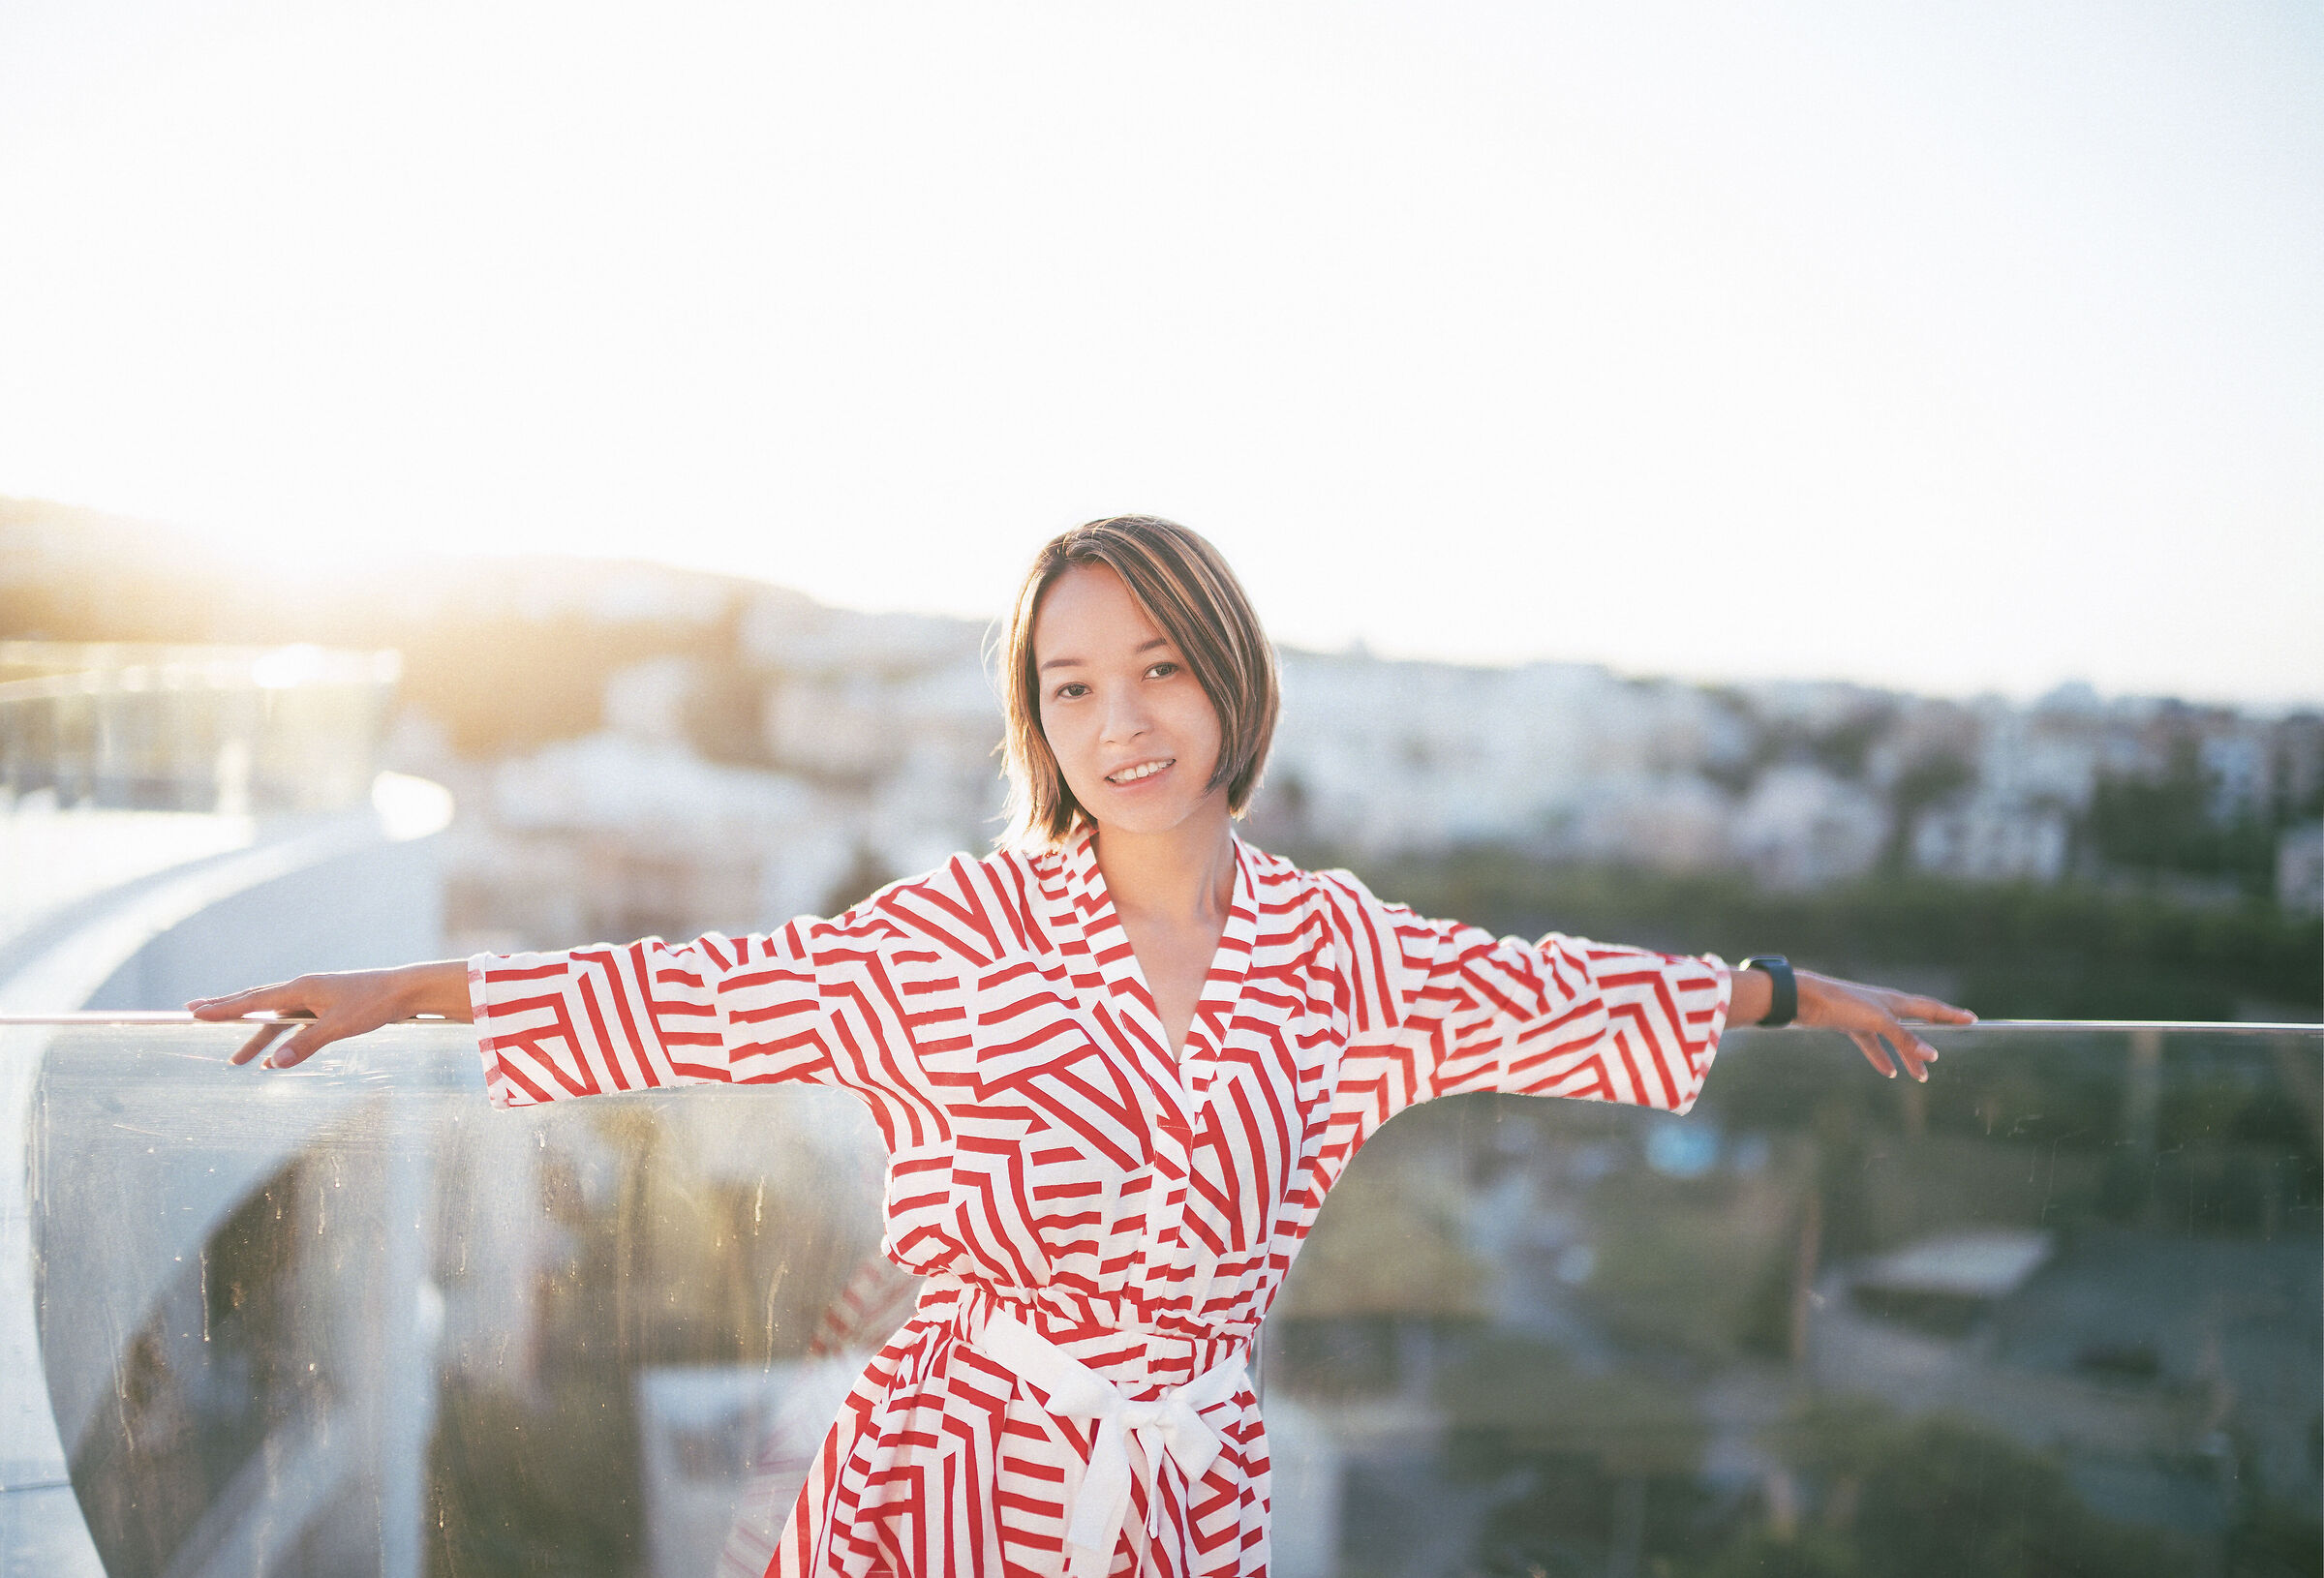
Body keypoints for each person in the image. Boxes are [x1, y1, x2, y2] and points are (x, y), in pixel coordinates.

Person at [191, 515, 1973, 1578]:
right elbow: (697, 991)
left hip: (1188, 1483)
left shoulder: (1339, 950)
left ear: (1232, 679)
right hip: (951, 1466)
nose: (1121, 720)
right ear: (1036, 720)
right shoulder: (958, 930)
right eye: (1071, 685)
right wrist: (411, 991)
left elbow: (1543, 993)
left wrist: (1782, 991)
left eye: (1160, 668)